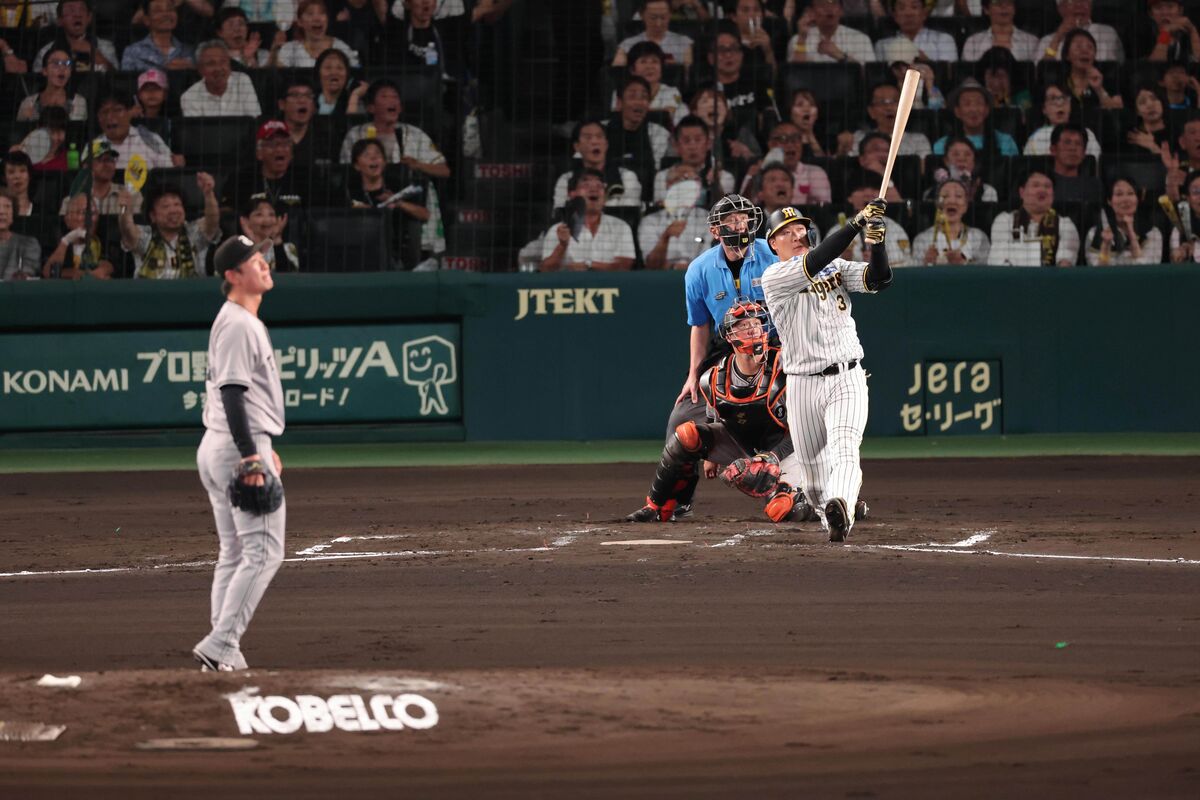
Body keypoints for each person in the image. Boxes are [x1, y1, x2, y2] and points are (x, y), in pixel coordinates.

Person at [760, 199, 891, 541]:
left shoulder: (835, 267)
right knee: (814, 477)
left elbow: (879, 280)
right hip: (802, 384)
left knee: (844, 447)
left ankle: (843, 506)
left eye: (801, 228)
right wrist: (857, 222)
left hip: (846, 376)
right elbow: (814, 260)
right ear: (773, 243)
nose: (797, 234)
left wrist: (877, 245)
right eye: (785, 232)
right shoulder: (773, 277)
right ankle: (830, 509)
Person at [192, 234, 288, 673]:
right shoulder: (237, 323)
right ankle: (221, 643)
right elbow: (233, 394)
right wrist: (253, 455)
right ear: (233, 276)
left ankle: (224, 653)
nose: (263, 264)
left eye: (262, 256)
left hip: (224, 444)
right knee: (264, 552)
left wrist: (263, 446)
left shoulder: (237, 319)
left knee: (234, 552)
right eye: (253, 260)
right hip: (235, 447)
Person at [626, 300, 813, 524]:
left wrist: (772, 456)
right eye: (744, 325)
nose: (753, 329)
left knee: (782, 510)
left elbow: (805, 429)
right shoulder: (713, 377)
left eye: (757, 323)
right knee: (686, 436)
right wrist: (711, 457)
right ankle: (657, 507)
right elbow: (716, 416)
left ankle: (824, 504)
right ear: (729, 335)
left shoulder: (788, 367)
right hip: (740, 443)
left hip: (784, 449)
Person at [661, 193, 775, 518]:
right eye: (732, 221)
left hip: (776, 346)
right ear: (716, 230)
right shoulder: (699, 270)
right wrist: (693, 374)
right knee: (682, 416)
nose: (740, 225)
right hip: (726, 349)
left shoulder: (770, 254)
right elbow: (699, 326)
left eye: (744, 219)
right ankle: (676, 500)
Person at [346, 137, 427, 269]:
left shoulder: (398, 186)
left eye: (378, 154)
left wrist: (398, 202)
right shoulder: (350, 192)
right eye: (367, 155)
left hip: (394, 252)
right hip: (360, 250)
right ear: (356, 165)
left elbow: (425, 215)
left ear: (384, 162)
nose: (374, 158)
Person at [120, 176, 221, 279]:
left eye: (177, 204)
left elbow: (212, 222)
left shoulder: (192, 232)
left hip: (190, 292)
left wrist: (209, 194)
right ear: (153, 216)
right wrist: (124, 209)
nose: (173, 210)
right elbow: (127, 230)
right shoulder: (145, 235)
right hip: (150, 293)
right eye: (165, 206)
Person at [539, 168, 636, 272]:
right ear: (572, 194)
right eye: (586, 185)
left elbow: (624, 266)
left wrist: (588, 266)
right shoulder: (557, 230)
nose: (594, 189)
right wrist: (562, 245)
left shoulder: (621, 227)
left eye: (599, 186)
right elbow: (545, 270)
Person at [988, 170, 1079, 267]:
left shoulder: (1065, 224)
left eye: (1047, 186)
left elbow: (1065, 262)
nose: (1042, 190)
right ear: (1022, 192)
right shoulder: (1004, 221)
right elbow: (999, 259)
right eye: (1036, 185)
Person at [223, 120, 313, 212]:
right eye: (272, 144)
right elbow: (227, 216)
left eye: (285, 144)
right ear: (259, 153)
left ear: (292, 154)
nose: (279, 149)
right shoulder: (241, 180)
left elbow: (320, 218)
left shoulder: (306, 179)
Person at [553, 120, 643, 211]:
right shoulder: (566, 179)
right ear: (577, 146)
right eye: (588, 138)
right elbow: (561, 212)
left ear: (606, 144)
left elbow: (629, 213)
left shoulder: (627, 177)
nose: (595, 142)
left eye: (599, 137)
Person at [705, 23, 775, 139]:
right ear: (711, 58)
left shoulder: (758, 84)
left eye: (733, 49)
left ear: (741, 55)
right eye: (722, 50)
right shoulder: (705, 91)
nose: (728, 55)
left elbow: (769, 121)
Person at [604, 75, 671, 195]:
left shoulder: (659, 133)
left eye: (644, 97)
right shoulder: (601, 131)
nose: (639, 102)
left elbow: (661, 172)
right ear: (619, 103)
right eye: (632, 96)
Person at [742, 121, 831, 205]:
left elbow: (824, 209)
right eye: (783, 139)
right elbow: (744, 208)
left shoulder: (815, 173)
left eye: (795, 139)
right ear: (771, 144)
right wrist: (753, 178)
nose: (790, 144)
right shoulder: (757, 172)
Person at [651, 115, 734, 205]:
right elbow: (659, 211)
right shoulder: (662, 177)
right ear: (676, 146)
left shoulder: (724, 177)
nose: (692, 146)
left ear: (708, 143)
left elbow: (725, 212)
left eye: (698, 140)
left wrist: (716, 184)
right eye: (686, 141)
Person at [1084, 177, 1163, 266]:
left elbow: (1147, 268)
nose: (1125, 199)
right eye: (1119, 194)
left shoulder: (1152, 233)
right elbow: (1096, 272)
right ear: (1109, 201)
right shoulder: (1094, 234)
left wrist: (1131, 233)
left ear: (1137, 199)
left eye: (1130, 193)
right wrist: (1106, 245)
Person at [913, 176, 990, 265]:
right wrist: (926, 263)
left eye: (958, 196)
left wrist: (963, 263)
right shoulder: (923, 240)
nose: (952, 201)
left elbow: (985, 273)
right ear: (937, 204)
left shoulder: (978, 238)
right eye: (945, 196)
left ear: (966, 205)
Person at [932, 78, 1019, 157]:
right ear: (957, 112)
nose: (973, 109)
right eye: (967, 104)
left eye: (979, 103)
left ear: (986, 110)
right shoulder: (942, 146)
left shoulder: (1005, 142)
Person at [639, 174, 710, 270]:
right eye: (680, 178)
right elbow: (652, 265)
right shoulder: (650, 221)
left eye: (693, 179)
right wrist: (665, 237)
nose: (687, 183)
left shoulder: (709, 219)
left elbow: (709, 261)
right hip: (662, 276)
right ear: (668, 185)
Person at [93, 91, 179, 170]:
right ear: (98, 118)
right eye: (104, 112)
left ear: (129, 113)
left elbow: (169, 170)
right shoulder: (93, 147)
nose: (110, 117)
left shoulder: (149, 138)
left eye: (117, 110)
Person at [846, 82, 932, 158]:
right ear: (871, 111)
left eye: (894, 101)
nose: (889, 107)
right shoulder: (858, 138)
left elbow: (923, 172)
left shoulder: (919, 141)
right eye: (881, 102)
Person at [610, 40, 686, 125]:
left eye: (655, 61)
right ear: (632, 70)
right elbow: (617, 118)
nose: (650, 67)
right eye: (643, 61)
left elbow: (673, 116)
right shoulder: (620, 92)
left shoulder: (673, 92)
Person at [60, 139, 142, 216]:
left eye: (111, 159)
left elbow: (139, 228)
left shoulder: (132, 196)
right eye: (101, 159)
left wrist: (124, 211)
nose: (108, 164)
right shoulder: (70, 202)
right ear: (86, 166)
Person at [180, 41, 262, 117]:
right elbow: (196, 132)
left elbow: (254, 121)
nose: (218, 68)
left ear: (229, 64)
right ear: (200, 69)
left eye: (223, 62)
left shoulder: (243, 81)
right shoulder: (189, 97)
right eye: (211, 64)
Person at [32, 0, 118, 72]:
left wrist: (94, 53)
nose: (77, 15)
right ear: (59, 20)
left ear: (89, 17)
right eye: (71, 10)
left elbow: (117, 79)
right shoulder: (45, 51)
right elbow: (38, 81)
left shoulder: (105, 46)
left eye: (82, 9)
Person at [42, 192, 113, 279]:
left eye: (93, 213)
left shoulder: (101, 239)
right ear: (67, 219)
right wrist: (65, 241)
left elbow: (108, 265)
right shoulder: (56, 241)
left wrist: (101, 270)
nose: (88, 219)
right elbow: (48, 272)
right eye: (82, 213)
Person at [836, 183, 911, 265]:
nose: (868, 194)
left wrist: (879, 260)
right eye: (861, 189)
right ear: (849, 198)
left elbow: (908, 263)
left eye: (874, 188)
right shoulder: (837, 230)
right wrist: (845, 261)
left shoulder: (896, 229)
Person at [1023, 83, 1101, 158]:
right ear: (1044, 109)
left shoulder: (1088, 134)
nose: (1059, 104)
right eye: (1053, 99)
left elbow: (1096, 167)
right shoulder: (1036, 139)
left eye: (1064, 98)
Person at [275, 0, 359, 67]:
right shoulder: (289, 50)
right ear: (300, 22)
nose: (317, 18)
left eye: (322, 13)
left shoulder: (342, 49)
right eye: (310, 13)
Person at [788, 0, 875, 64]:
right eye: (822, 4)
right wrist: (802, 39)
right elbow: (795, 75)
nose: (829, 9)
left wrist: (840, 55)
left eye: (834, 3)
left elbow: (867, 76)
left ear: (841, 10)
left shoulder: (860, 39)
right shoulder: (798, 40)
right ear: (811, 12)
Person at [1036, 0, 1124, 63]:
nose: (1079, 5)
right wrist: (1057, 38)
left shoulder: (1108, 33)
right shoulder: (1047, 41)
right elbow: (1040, 74)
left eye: (1085, 1)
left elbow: (1119, 69)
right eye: (1071, 2)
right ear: (1060, 9)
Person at [121, 0, 196, 71]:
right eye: (158, 11)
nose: (166, 14)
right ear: (146, 20)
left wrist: (191, 68)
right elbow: (126, 83)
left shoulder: (188, 51)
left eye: (170, 9)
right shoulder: (132, 52)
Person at [613, 0, 693, 66]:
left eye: (663, 18)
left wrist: (674, 68)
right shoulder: (627, 45)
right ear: (642, 15)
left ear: (670, 15)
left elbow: (688, 78)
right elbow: (617, 77)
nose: (658, 24)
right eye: (653, 18)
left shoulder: (683, 42)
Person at [1059, 29, 1122, 111]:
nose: (1085, 51)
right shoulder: (1058, 82)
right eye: (1078, 47)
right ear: (1067, 55)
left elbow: (1117, 113)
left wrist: (1099, 89)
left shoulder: (1107, 80)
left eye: (1090, 47)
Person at [874, 0, 957, 62]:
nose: (908, 13)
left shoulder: (944, 40)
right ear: (895, 15)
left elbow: (948, 75)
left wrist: (926, 62)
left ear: (924, 13)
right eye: (901, 8)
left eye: (914, 7)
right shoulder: (882, 46)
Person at [18, 47, 86, 121]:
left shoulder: (79, 102)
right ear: (45, 71)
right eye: (56, 63)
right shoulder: (28, 103)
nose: (62, 68)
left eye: (67, 63)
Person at [961, 0, 1037, 62]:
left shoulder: (1031, 41)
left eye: (1008, 2)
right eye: (997, 2)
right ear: (986, 9)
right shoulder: (973, 42)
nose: (1004, 6)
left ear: (1014, 9)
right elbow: (968, 76)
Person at [239, 196, 299, 272]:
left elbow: (289, 278)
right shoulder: (239, 249)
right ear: (246, 220)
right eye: (259, 214)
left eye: (271, 214)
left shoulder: (289, 248)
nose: (267, 220)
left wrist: (277, 240)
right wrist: (254, 242)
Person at [1050, 122, 1103, 204]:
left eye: (1078, 144)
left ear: (1084, 152)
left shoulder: (1095, 187)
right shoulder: (1043, 184)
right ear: (1053, 150)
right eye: (1067, 142)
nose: (1073, 148)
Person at [934, 136, 999, 202]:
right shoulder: (932, 192)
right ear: (946, 161)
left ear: (974, 162)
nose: (962, 159)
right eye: (956, 154)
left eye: (967, 154)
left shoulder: (988, 192)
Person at [313, 47, 367, 115]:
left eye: (340, 68)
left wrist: (355, 95)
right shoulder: (310, 101)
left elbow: (353, 125)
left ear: (347, 74)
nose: (334, 72)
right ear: (318, 73)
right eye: (328, 68)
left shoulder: (356, 101)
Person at [0, 194, 40, 280]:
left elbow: (24, 277)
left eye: (7, 207)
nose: (2, 211)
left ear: (13, 213)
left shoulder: (28, 244)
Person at [1168, 170, 1200, 262]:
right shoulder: (1179, 230)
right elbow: (1174, 261)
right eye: (1195, 192)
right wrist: (1180, 255)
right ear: (1188, 198)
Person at [788, 89, 829, 158]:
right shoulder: (785, 141)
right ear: (791, 113)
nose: (806, 109)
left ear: (817, 114)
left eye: (812, 105)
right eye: (800, 105)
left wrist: (810, 134)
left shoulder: (826, 140)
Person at [2, 152, 35, 216]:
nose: (17, 176)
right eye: (11, 172)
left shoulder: (43, 212)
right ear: (4, 178)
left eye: (22, 170)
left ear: (29, 175)